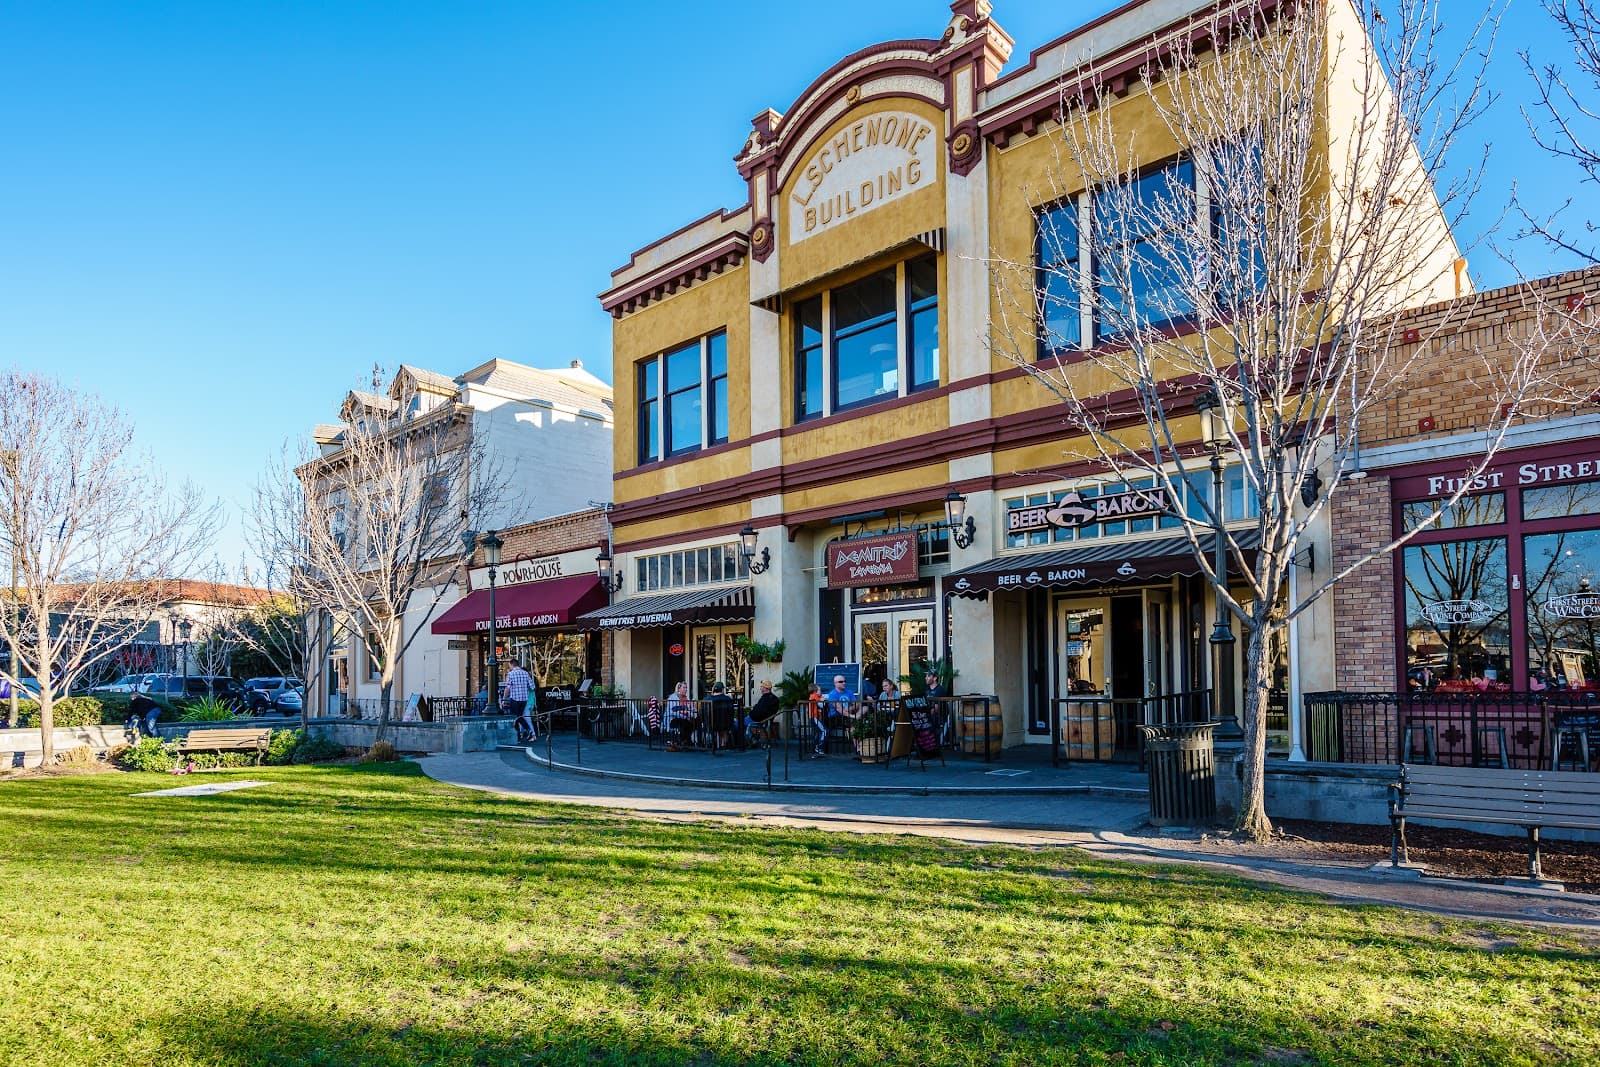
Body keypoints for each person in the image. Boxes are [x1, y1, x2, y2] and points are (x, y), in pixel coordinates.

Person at [817, 674, 856, 756]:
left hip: (847, 714)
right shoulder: (833, 694)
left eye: (845, 681)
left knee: (865, 708)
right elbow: (839, 709)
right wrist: (851, 714)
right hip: (835, 717)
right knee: (853, 723)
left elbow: (856, 704)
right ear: (835, 683)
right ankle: (858, 748)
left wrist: (848, 710)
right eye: (841, 681)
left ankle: (863, 746)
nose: (844, 683)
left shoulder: (849, 692)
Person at [503, 661, 534, 743]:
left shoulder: (510, 674)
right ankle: (527, 731)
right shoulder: (525, 673)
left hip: (515, 699)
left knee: (515, 717)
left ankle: (518, 736)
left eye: (509, 665)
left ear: (512, 665)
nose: (509, 667)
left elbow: (507, 688)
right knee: (519, 716)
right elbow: (532, 687)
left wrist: (504, 699)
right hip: (524, 699)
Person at [663, 681, 698, 749]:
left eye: (686, 688)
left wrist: (691, 714)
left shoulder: (685, 698)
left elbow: (689, 709)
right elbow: (673, 712)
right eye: (684, 687)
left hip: (681, 718)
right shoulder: (673, 698)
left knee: (694, 722)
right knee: (684, 722)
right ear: (679, 689)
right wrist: (686, 717)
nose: (686, 689)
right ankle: (684, 741)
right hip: (671, 719)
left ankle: (687, 740)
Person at [747, 679, 780, 747]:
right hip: (766, 719)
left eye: (762, 687)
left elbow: (758, 712)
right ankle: (751, 740)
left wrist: (750, 713)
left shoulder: (765, 699)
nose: (760, 688)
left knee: (737, 724)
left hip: (757, 719)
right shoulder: (774, 699)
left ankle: (749, 741)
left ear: (766, 688)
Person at [707, 681, 739, 750]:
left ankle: (714, 744)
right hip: (725, 724)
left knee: (715, 728)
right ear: (722, 689)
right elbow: (731, 712)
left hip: (711, 724)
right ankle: (723, 745)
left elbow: (703, 713)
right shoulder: (728, 699)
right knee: (725, 730)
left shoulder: (707, 699)